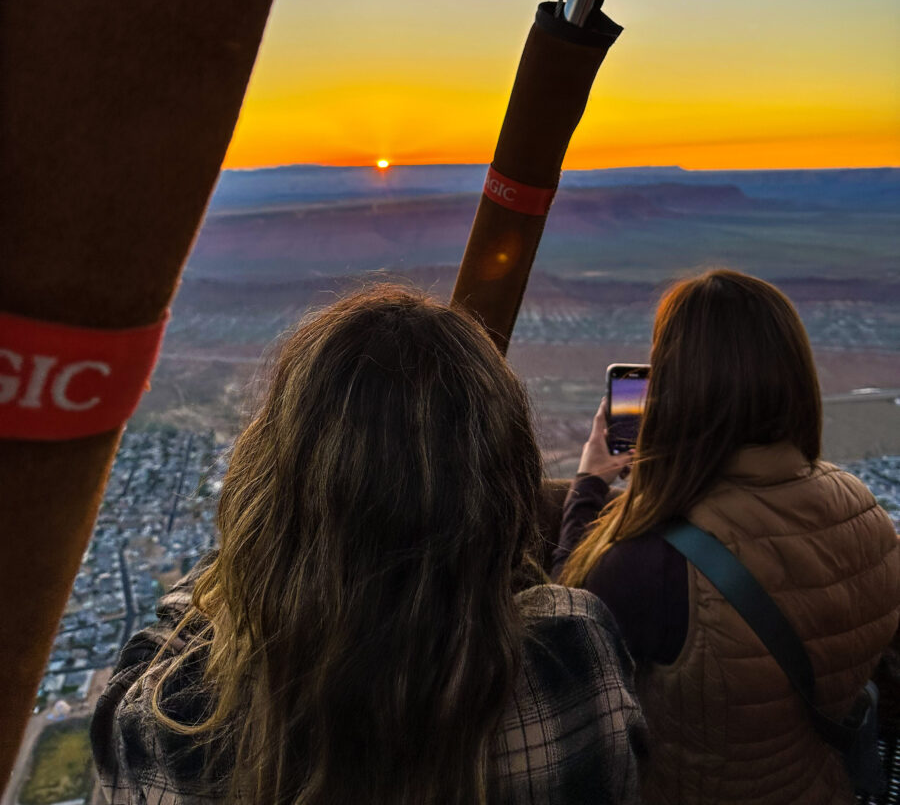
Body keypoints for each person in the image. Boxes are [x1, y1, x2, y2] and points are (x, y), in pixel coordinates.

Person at [91, 286, 646, 805]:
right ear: (507, 479)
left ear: (271, 485)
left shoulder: (180, 722)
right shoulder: (572, 655)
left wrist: (253, 547)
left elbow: (136, 683)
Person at [553, 267, 900, 805]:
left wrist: (589, 485)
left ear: (676, 390)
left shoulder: (656, 566)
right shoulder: (863, 511)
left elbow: (564, 648)